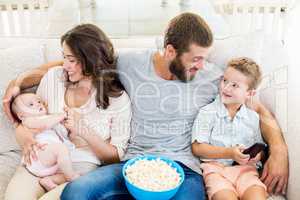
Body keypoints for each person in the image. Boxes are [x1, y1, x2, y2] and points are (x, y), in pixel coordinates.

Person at [2, 13, 288, 199]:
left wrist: (279, 150)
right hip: (130, 165)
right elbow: (81, 61)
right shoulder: (130, 63)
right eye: (196, 59)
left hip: (183, 170)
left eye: (205, 58)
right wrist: (20, 80)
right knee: (75, 193)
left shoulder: (213, 78)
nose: (203, 66)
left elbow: (258, 107)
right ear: (170, 51)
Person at [3, 24, 131, 200]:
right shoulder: (54, 78)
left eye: (71, 60)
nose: (65, 65)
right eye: (64, 57)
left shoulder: (117, 99)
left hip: (79, 167)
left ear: (90, 60)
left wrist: (83, 129)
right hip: (40, 157)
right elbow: (30, 119)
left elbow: (115, 157)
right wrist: (22, 134)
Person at [192, 57, 267, 200]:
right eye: (224, 81)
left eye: (234, 85)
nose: (225, 88)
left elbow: (260, 147)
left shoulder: (252, 118)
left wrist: (258, 156)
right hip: (216, 171)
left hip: (246, 172)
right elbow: (197, 148)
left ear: (249, 94)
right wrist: (230, 153)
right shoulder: (208, 112)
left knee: (257, 196)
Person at [11, 92, 79, 191]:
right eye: (31, 104)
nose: (38, 104)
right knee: (60, 149)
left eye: (39, 101)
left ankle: (49, 180)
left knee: (67, 168)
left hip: (49, 159)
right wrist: (62, 115)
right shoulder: (28, 120)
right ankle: (71, 177)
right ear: (21, 116)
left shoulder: (47, 117)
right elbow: (44, 124)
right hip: (39, 155)